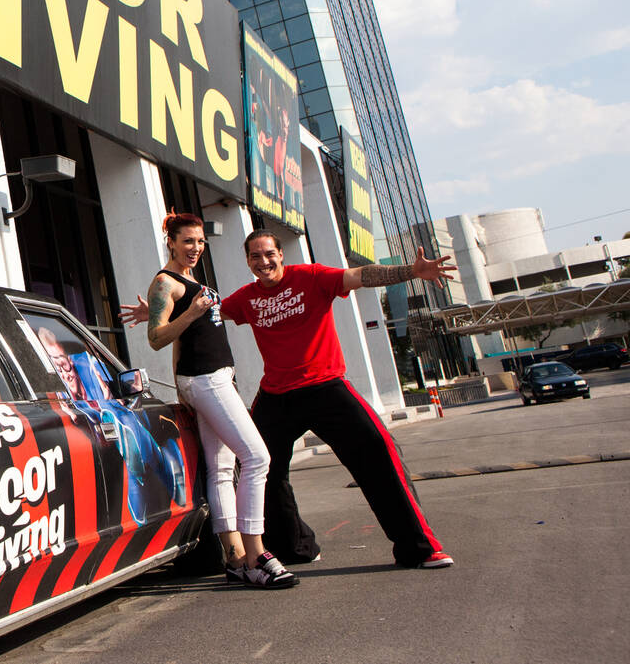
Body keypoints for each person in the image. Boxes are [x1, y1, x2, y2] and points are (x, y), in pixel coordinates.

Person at [222, 231, 456, 569]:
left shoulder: (312, 277)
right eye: (255, 257)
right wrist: (161, 311)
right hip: (276, 396)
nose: (263, 262)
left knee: (378, 451)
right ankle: (294, 547)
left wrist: (411, 271)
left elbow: (360, 276)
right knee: (259, 468)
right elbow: (209, 312)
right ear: (247, 261)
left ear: (281, 254)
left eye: (269, 254)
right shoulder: (245, 299)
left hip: (326, 387)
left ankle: (419, 548)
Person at [121, 212, 297, 589]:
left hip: (213, 379)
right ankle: (258, 554)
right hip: (204, 380)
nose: (195, 248)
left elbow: (179, 331)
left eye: (200, 242)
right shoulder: (165, 282)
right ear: (170, 241)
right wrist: (191, 314)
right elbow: (157, 338)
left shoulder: (189, 280)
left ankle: (234, 558)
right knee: (257, 457)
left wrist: (185, 320)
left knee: (220, 471)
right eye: (187, 241)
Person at [34, 326, 187, 526]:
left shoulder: (89, 369)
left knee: (122, 416)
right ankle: (154, 464)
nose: (65, 373)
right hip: (98, 442)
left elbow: (117, 394)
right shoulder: (56, 396)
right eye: (57, 369)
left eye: (64, 365)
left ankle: (152, 463)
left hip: (113, 427)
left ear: (70, 361)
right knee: (117, 424)